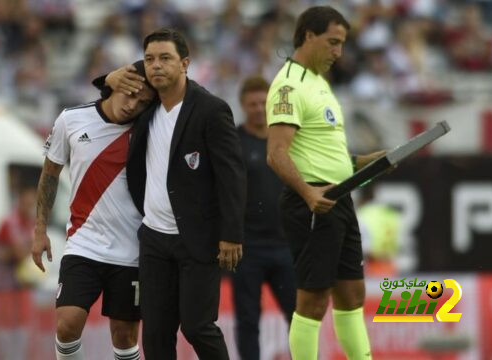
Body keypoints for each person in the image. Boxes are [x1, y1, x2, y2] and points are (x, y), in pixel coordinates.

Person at [106, 28, 246, 359]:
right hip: (154, 238)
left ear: (185, 63)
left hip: (196, 237)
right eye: (150, 59)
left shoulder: (211, 110)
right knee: (155, 335)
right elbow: (107, 98)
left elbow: (232, 177)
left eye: (165, 58)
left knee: (197, 327)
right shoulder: (145, 106)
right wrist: (111, 77)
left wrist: (231, 235)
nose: (156, 66)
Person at [266, 6, 385, 359]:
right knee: (313, 301)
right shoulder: (289, 85)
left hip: (339, 198)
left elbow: (325, 156)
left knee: (351, 295)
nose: (339, 53)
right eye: (333, 43)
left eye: (342, 44)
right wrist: (307, 193)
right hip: (314, 201)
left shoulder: (319, 83)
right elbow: (276, 153)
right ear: (307, 36)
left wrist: (368, 163)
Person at [31, 60, 156, 360]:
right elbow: (50, 174)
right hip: (83, 244)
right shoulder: (71, 120)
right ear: (115, 86)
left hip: (132, 248)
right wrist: (39, 229)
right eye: (130, 94)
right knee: (67, 324)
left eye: (142, 102)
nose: (133, 106)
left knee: (125, 336)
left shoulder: (149, 128)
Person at [231, 76, 296, 360]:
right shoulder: (233, 142)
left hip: (286, 245)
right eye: (252, 103)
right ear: (243, 105)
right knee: (247, 320)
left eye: (263, 102)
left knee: (300, 317)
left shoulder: (286, 140)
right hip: (248, 247)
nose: (258, 108)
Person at [0, 185, 38, 291]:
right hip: (1, 283)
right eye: (27, 204)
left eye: (32, 204)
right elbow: (20, 254)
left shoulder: (30, 223)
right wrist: (31, 247)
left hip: (16, 283)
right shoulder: (10, 223)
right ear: (20, 202)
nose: (30, 208)